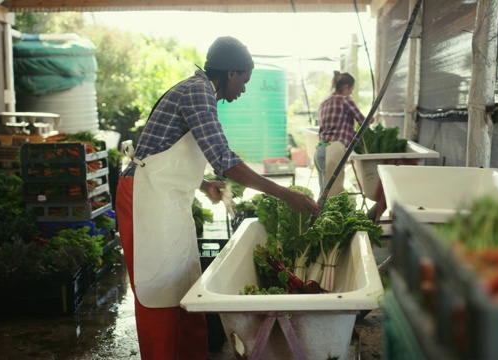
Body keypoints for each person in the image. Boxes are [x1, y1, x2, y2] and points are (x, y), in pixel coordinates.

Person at [115, 36, 320, 360]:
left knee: (183, 286)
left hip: (166, 199)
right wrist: (284, 194)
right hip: (144, 200)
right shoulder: (198, 91)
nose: (243, 90)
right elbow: (223, 158)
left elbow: (166, 152)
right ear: (230, 73)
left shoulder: (200, 91)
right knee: (157, 292)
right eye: (244, 81)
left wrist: (201, 183)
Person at [315, 71, 366, 197]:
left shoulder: (324, 102)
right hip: (334, 149)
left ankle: (319, 216)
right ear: (345, 87)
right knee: (333, 196)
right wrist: (371, 120)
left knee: (324, 192)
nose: (351, 93)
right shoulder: (346, 100)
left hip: (320, 149)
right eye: (351, 89)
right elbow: (363, 121)